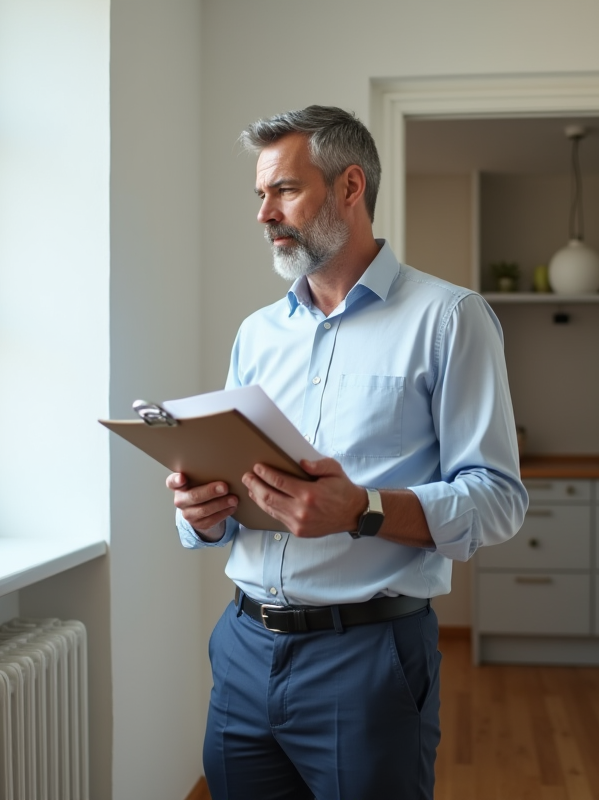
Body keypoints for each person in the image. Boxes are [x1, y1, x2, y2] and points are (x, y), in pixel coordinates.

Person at [168, 105, 527, 800]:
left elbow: (499, 500)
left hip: (368, 659)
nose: (265, 213)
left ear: (350, 188)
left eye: (285, 190)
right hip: (243, 648)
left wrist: (360, 509)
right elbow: (235, 483)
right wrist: (203, 510)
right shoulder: (257, 333)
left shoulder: (449, 319)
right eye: (260, 195)